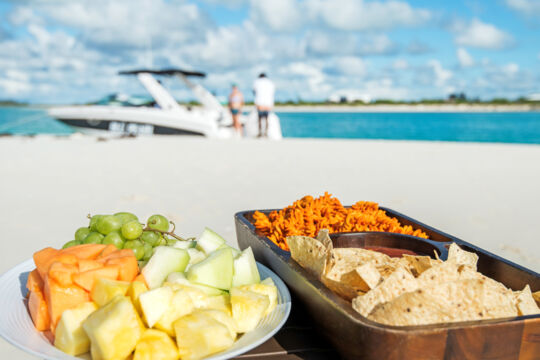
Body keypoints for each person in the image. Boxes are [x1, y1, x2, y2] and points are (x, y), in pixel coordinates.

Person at [252, 73, 275, 137]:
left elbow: (254, 92)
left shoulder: (257, 82)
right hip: (268, 103)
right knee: (267, 119)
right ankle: (266, 133)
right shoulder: (270, 83)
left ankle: (260, 133)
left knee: (259, 118)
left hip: (259, 102)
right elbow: (272, 93)